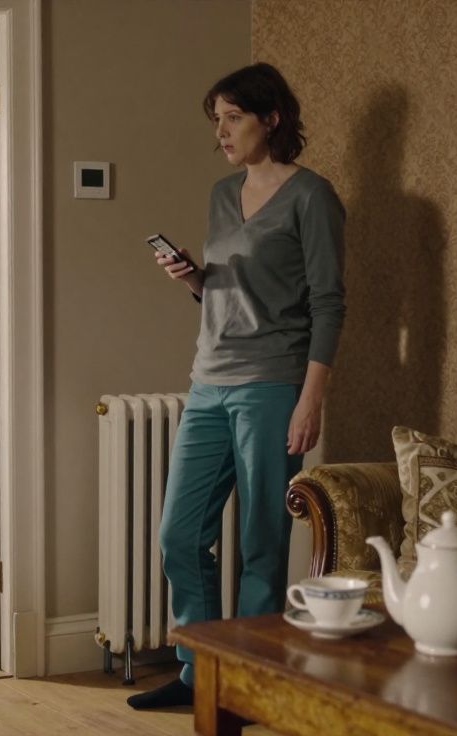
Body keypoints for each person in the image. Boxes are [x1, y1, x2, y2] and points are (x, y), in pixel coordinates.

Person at [127, 62, 345, 710]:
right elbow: (231, 290)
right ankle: (201, 676)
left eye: (232, 118)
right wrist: (195, 279)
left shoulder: (312, 197)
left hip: (273, 384)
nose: (220, 132)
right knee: (179, 533)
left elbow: (329, 303)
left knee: (261, 543)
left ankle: (246, 688)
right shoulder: (222, 194)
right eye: (216, 120)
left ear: (270, 118)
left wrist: (311, 398)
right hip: (208, 380)